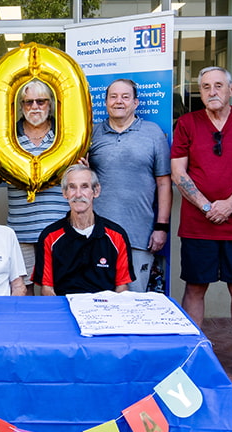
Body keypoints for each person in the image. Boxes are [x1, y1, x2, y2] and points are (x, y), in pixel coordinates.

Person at [170, 66, 232, 385]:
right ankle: (194, 353)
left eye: (218, 85)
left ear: (231, 88)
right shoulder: (186, 123)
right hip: (198, 224)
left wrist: (229, 205)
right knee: (195, 287)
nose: (211, 91)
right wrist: (206, 206)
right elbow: (178, 172)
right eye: (205, 86)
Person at [0, 79, 69, 295]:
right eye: (28, 102)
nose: (34, 107)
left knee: (59, 287)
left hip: (59, 230)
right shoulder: (8, 138)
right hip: (21, 232)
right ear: (20, 106)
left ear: (50, 104)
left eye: (40, 101)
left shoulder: (66, 135)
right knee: (23, 290)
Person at [88, 79, 171, 292]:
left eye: (125, 97)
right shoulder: (90, 135)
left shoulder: (153, 133)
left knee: (134, 302)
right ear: (105, 102)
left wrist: (161, 227)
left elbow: (163, 183)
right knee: (98, 299)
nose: (119, 102)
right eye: (113, 97)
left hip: (138, 235)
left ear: (135, 102)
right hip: (97, 235)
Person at [33, 164, 134, 296]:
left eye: (85, 187)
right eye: (72, 187)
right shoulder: (49, 236)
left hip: (104, 309)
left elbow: (122, 287)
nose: (78, 194)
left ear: (96, 191)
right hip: (65, 308)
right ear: (65, 193)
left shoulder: (117, 235)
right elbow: (47, 289)